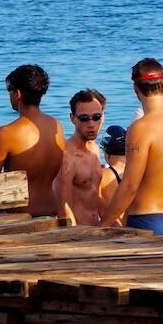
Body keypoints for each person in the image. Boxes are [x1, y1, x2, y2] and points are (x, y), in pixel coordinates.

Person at [100, 59, 163, 236]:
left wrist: (104, 224)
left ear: (135, 89)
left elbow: (130, 185)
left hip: (147, 221)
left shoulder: (141, 128)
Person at [0, 64, 65, 217]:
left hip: (21, 216)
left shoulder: (7, 133)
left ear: (17, 94)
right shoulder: (56, 126)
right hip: (52, 211)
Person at [55, 90, 107, 226]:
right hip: (79, 234)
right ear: (72, 118)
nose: (91, 124)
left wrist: (113, 224)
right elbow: (64, 209)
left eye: (96, 117)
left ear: (103, 116)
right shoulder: (67, 157)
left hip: (96, 231)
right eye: (84, 118)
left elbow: (97, 195)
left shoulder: (95, 149)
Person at [98, 125, 127, 227]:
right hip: (139, 225)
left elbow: (101, 211)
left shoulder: (104, 175)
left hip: (116, 229)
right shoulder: (137, 172)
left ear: (106, 151)